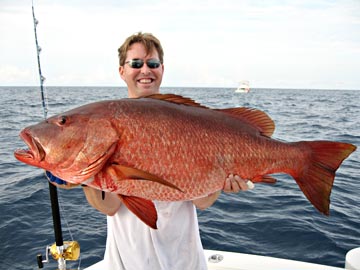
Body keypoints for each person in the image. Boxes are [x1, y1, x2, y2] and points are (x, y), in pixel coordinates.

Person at [49, 32, 252, 270]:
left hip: (184, 261)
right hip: (127, 262)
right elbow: (110, 207)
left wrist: (224, 179)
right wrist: (82, 175)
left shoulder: (188, 120)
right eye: (136, 63)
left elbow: (202, 201)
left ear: (162, 69)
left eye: (152, 64)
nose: (145, 70)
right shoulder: (106, 121)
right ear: (121, 71)